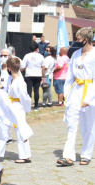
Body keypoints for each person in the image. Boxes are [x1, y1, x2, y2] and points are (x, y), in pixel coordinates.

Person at [57, 27, 95, 166]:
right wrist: (67, 94)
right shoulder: (75, 54)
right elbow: (69, 77)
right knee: (71, 125)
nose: (76, 41)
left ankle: (86, 154)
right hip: (76, 91)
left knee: (88, 126)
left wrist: (89, 98)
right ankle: (68, 156)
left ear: (86, 40)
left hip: (90, 91)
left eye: (79, 39)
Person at [6, 57, 33, 163]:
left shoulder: (19, 81)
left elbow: (25, 97)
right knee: (17, 129)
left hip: (17, 106)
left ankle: (24, 155)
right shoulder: (13, 80)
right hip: (12, 106)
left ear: (9, 68)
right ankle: (24, 154)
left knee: (21, 130)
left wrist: (26, 108)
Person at [23, 42, 45, 111]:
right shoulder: (41, 56)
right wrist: (42, 75)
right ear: (37, 48)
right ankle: (36, 106)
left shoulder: (27, 55)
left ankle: (28, 106)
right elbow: (43, 67)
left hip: (29, 74)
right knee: (36, 90)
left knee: (28, 91)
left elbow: (23, 66)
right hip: (38, 74)